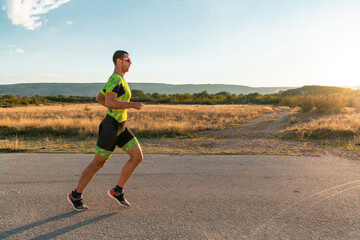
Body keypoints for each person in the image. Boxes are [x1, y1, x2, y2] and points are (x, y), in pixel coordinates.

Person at [67, 50, 144, 211]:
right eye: (127, 59)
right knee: (98, 163)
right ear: (118, 61)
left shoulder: (120, 80)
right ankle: (75, 195)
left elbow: (99, 98)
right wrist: (132, 104)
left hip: (121, 127)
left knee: (137, 156)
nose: (130, 62)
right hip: (110, 127)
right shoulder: (115, 79)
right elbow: (109, 102)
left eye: (130, 59)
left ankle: (117, 191)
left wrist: (115, 107)